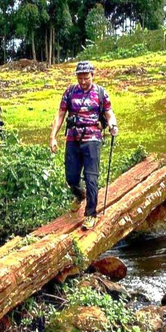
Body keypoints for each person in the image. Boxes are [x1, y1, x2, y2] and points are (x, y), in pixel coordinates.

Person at [49, 61, 117, 230]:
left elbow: (109, 113)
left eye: (86, 77)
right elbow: (60, 115)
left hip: (92, 138)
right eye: (80, 78)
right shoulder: (70, 92)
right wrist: (53, 137)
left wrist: (113, 125)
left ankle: (90, 214)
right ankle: (80, 195)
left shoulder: (101, 93)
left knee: (91, 177)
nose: (83, 81)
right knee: (71, 177)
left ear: (93, 75)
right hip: (73, 137)